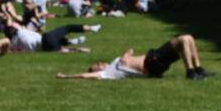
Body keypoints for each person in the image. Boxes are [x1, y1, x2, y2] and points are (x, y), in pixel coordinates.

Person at [57, 35, 211, 81]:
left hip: (154, 59)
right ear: (97, 71)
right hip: (150, 64)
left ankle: (198, 69)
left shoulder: (114, 62)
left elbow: (129, 52)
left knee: (189, 39)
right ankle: (191, 72)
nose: (100, 63)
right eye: (97, 65)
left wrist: (126, 54)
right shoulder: (106, 73)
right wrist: (65, 76)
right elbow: (85, 75)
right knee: (183, 40)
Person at [6, 18, 100, 53]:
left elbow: (11, 50)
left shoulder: (14, 43)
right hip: (45, 38)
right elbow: (16, 24)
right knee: (68, 27)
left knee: (62, 50)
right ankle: (92, 28)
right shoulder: (21, 31)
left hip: (45, 49)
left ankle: (80, 49)